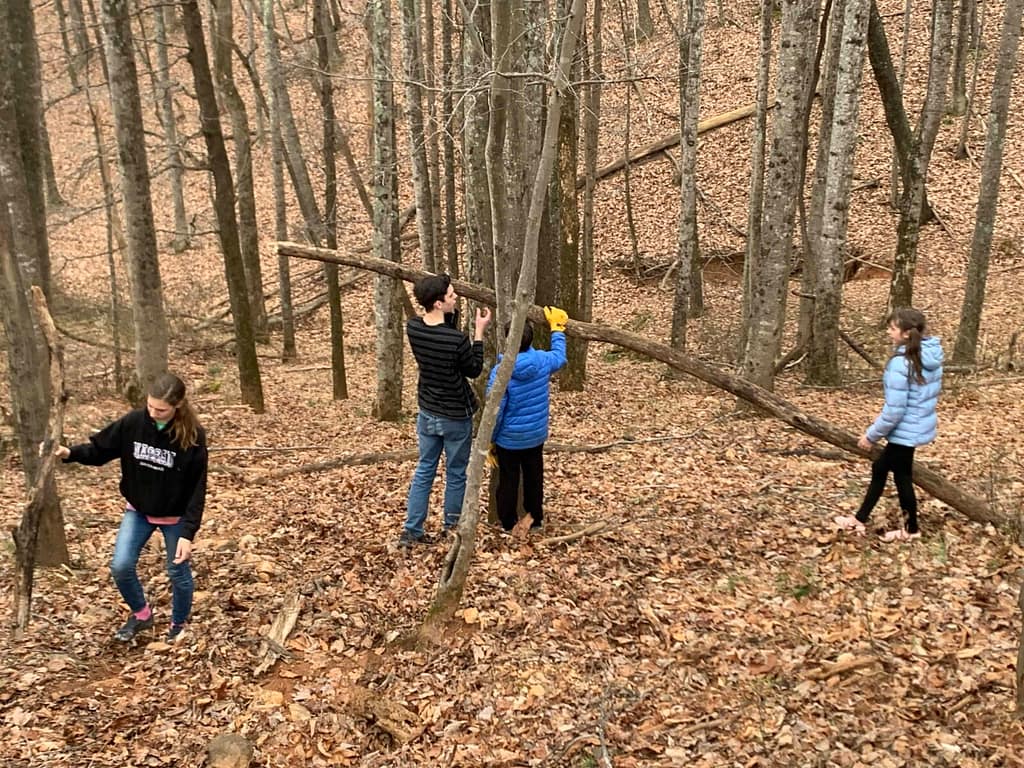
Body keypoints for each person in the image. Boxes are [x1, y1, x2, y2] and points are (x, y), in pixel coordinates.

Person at [55, 373, 208, 642]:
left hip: (175, 516)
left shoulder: (193, 436)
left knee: (177, 572)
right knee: (121, 566)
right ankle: (141, 615)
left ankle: (178, 624)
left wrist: (188, 533)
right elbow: (100, 450)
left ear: (178, 406)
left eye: (161, 410)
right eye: (150, 406)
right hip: (138, 510)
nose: (153, 413)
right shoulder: (134, 422)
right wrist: (71, 454)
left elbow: (198, 487)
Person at [835, 308, 943, 542]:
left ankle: (911, 530)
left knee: (900, 476)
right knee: (882, 469)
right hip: (915, 426)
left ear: (906, 334)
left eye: (892, 328)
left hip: (905, 430)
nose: (888, 332)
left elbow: (895, 410)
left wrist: (871, 436)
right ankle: (860, 520)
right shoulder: (930, 354)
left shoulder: (902, 362)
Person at [400, 274, 491, 546]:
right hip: (455, 416)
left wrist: (453, 320)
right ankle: (452, 526)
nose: (455, 298)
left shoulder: (414, 328)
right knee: (455, 472)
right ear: (438, 303)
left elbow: (443, 334)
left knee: (425, 469)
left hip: (428, 412)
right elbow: (473, 369)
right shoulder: (458, 341)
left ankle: (412, 529)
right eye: (451, 296)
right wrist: (478, 333)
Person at [486, 306, 568, 534]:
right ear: (530, 340)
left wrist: (490, 441)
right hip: (535, 435)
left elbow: (496, 410)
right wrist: (557, 329)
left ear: (507, 340)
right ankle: (535, 520)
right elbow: (560, 357)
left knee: (508, 480)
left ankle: (508, 523)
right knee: (534, 477)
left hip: (508, 439)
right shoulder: (542, 360)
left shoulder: (501, 371)